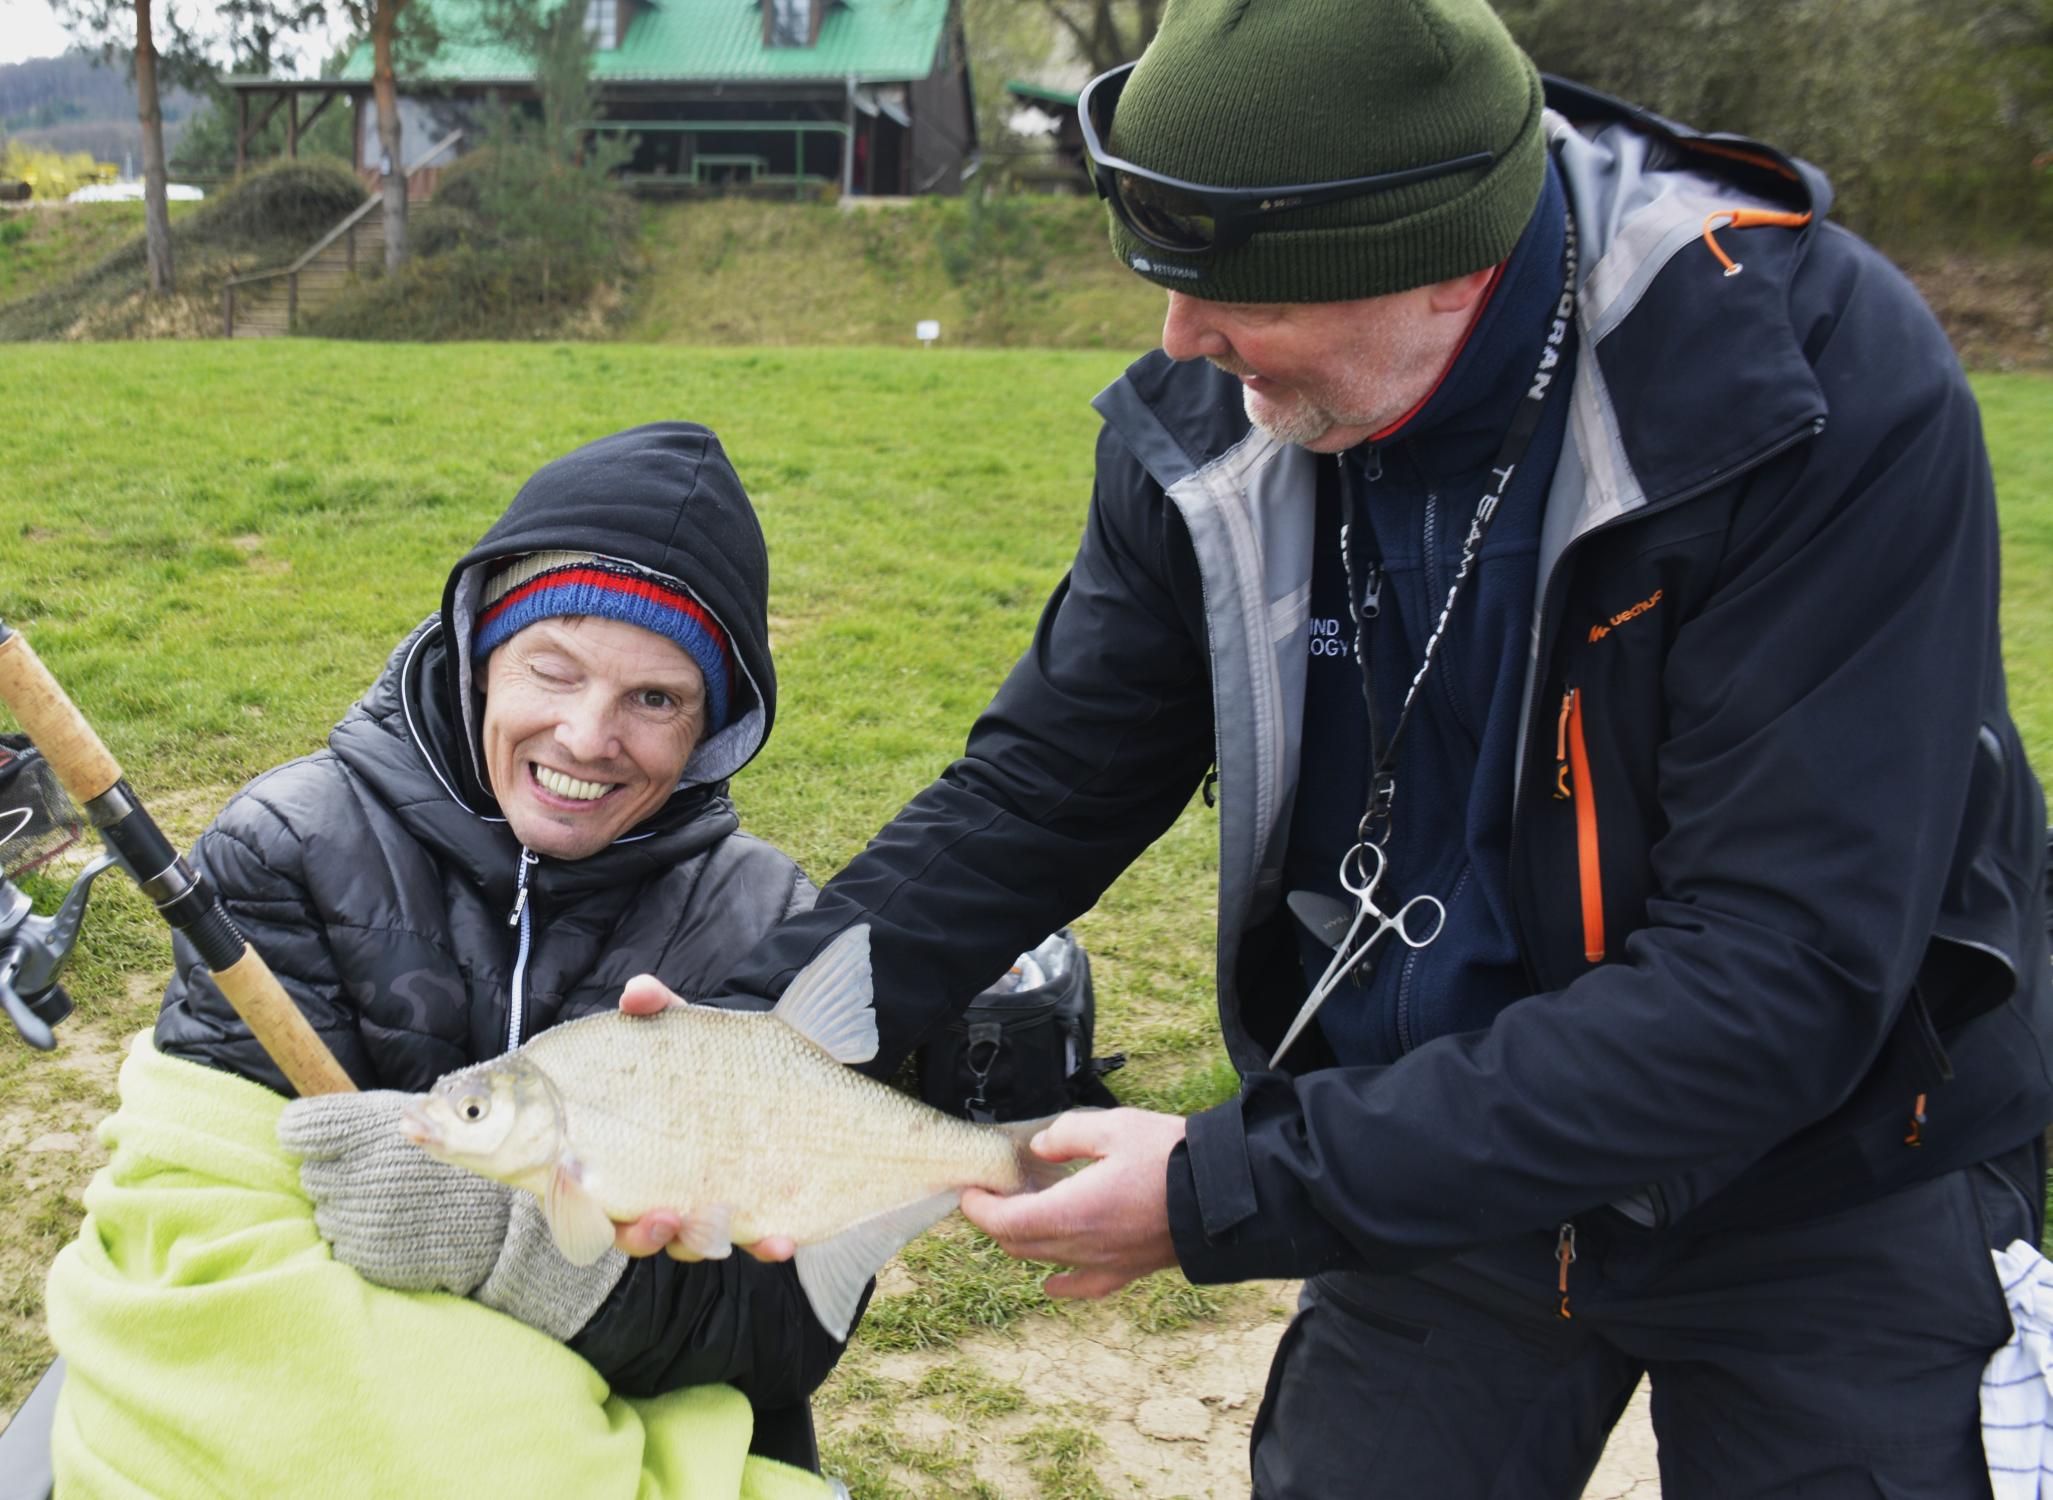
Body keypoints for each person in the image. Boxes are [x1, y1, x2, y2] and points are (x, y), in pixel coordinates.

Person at [712, 3, 2053, 1495]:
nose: (1180, 340)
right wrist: (743, 1047)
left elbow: (1776, 980)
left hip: (1834, 1169)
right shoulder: (1223, 415)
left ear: (1448, 264)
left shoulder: (1805, 386)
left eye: (1243, 297)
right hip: (1437, 1148)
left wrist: (1223, 1188)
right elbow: (1052, 778)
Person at [143, 422, 842, 1459]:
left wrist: (534, 1258)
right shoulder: (282, 849)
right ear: (479, 662)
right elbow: (210, 1223)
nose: (587, 739)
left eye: (655, 699)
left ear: (709, 730)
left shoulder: (764, 918)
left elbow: (785, 1333)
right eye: (552, 671)